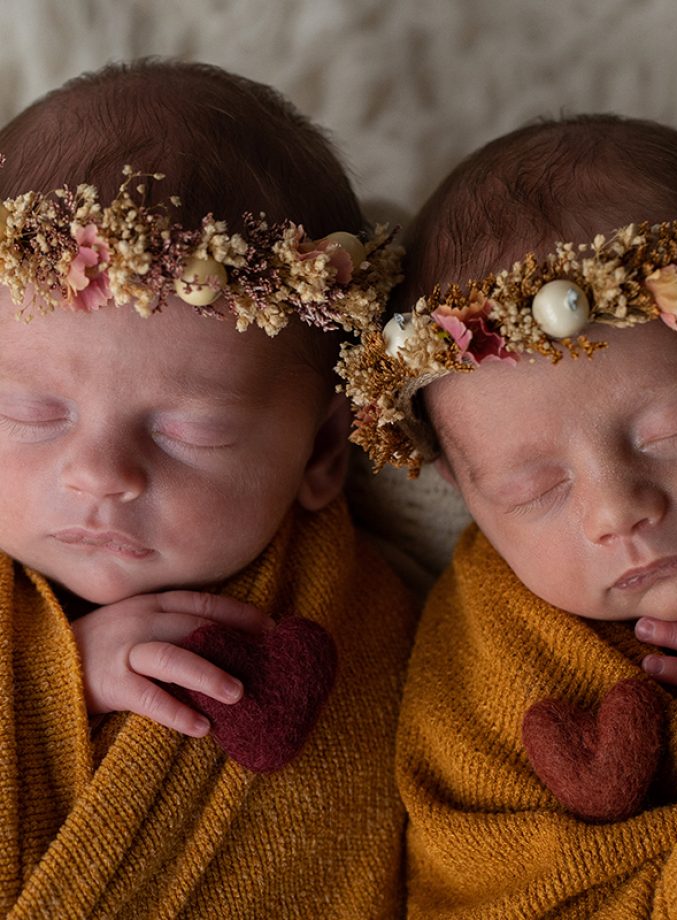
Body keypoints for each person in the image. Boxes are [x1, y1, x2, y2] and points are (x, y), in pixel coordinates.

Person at [338, 114, 677, 915]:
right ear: (460, 487)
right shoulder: (486, 656)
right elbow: (481, 885)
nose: (617, 512)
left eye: (673, 431)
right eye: (532, 488)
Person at [0, 59, 417, 919]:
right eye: (30, 413)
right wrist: (52, 682)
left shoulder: (378, 621)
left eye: (190, 431)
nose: (99, 474)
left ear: (323, 451)